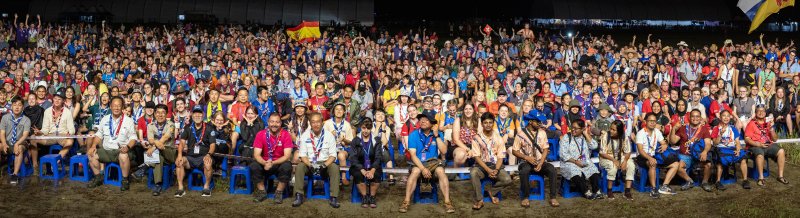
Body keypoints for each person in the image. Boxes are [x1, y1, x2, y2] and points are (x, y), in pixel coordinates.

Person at [398, 114, 453, 214]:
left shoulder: (438, 134)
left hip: (434, 162)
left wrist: (436, 136)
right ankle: (406, 201)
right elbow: (413, 155)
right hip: (418, 162)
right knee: (415, 171)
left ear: (432, 124)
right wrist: (423, 169)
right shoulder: (414, 135)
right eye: (421, 119)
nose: (422, 121)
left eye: (426, 120)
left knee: (440, 171)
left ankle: (447, 202)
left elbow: (444, 151)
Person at [86, 96, 137, 191]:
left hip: (120, 150)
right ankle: (98, 177)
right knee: (91, 154)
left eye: (119, 106)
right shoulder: (105, 119)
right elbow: (99, 135)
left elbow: (133, 138)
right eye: (114, 105)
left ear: (122, 107)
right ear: (110, 106)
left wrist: (128, 147)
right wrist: (93, 146)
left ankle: (125, 180)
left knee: (124, 156)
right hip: (106, 150)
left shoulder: (128, 121)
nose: (116, 108)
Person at [637, 113, 693, 197]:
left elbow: (664, 143)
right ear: (646, 122)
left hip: (655, 155)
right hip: (643, 157)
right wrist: (650, 158)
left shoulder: (657, 131)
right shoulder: (641, 133)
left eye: (654, 121)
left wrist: (664, 145)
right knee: (653, 163)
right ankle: (653, 189)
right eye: (650, 121)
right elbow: (640, 150)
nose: (652, 123)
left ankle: (664, 186)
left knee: (676, 164)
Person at [292, 112, 341, 208]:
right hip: (309, 163)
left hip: (325, 163)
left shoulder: (329, 136)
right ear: (310, 123)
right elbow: (302, 155)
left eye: (318, 122)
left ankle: (334, 197)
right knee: (300, 166)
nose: (316, 124)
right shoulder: (305, 136)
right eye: (313, 122)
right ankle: (299, 195)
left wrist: (324, 165)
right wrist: (310, 165)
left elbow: (333, 156)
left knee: (335, 167)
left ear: (322, 122)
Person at [513, 117, 559, 207]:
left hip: (540, 161)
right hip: (525, 162)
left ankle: (553, 197)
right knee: (524, 171)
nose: (539, 123)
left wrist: (541, 162)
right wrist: (526, 157)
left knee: (552, 169)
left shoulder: (542, 132)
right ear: (530, 121)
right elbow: (514, 151)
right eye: (537, 121)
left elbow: (546, 149)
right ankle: (525, 197)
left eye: (540, 121)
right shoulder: (520, 134)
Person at [469, 112, 513, 210]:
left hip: (495, 165)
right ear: (481, 124)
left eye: (490, 122)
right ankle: (479, 199)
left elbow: (500, 157)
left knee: (507, 179)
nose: (488, 125)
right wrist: (488, 170)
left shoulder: (498, 138)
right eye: (485, 123)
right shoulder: (477, 138)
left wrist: (496, 170)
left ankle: (491, 191)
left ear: (493, 123)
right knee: (473, 173)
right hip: (481, 166)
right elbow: (477, 157)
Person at [251, 113, 294, 203]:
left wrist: (273, 163)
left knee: (287, 166)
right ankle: (262, 192)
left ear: (281, 123)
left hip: (279, 163)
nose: (274, 124)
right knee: (254, 165)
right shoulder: (261, 134)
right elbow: (257, 154)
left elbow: (287, 156)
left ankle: (279, 193)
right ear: (268, 122)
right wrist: (264, 163)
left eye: (277, 122)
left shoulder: (286, 135)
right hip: (264, 163)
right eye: (272, 122)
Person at [175, 105, 217, 197]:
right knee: (179, 162)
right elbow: (181, 143)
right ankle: (180, 188)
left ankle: (206, 187)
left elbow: (213, 145)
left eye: (199, 113)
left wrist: (209, 154)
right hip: (190, 158)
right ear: (191, 115)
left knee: (208, 162)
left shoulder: (209, 128)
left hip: (204, 156)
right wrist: (179, 155)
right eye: (195, 113)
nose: (197, 115)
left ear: (203, 115)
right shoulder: (187, 127)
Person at [30, 88, 75, 172]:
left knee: (70, 142)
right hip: (50, 136)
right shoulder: (47, 111)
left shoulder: (67, 112)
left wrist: (69, 133)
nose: (57, 101)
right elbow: (45, 130)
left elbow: (72, 129)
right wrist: (40, 132)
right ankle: (35, 165)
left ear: (63, 101)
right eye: (55, 98)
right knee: (33, 138)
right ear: (52, 99)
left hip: (62, 136)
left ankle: (55, 162)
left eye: (59, 99)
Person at [559, 119, 604, 200]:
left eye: (576, 128)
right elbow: (563, 154)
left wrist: (586, 134)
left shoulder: (585, 138)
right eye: (572, 127)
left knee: (593, 168)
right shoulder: (567, 137)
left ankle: (596, 190)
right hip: (569, 162)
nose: (573, 130)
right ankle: (586, 192)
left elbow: (594, 146)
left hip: (583, 161)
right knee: (574, 170)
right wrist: (576, 162)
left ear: (582, 129)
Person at [669, 109, 713, 192]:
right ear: (689, 117)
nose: (695, 118)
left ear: (700, 118)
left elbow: (708, 143)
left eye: (697, 116)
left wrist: (705, 152)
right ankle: (689, 181)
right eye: (693, 116)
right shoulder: (683, 128)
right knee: (677, 167)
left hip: (698, 154)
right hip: (685, 155)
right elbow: (673, 141)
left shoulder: (704, 129)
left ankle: (705, 182)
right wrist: (674, 129)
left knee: (708, 164)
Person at [744, 106, 789, 186]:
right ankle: (761, 178)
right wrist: (757, 144)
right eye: (759, 111)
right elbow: (747, 139)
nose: (761, 113)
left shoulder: (768, 123)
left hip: (768, 145)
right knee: (760, 154)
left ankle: (780, 176)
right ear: (755, 113)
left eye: (763, 111)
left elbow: (775, 139)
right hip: (755, 145)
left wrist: (772, 129)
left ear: (765, 113)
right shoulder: (751, 123)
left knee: (781, 151)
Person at [348, 118, 384, 208]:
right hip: (359, 166)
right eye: (364, 128)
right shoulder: (355, 141)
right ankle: (364, 196)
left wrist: (372, 170)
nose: (366, 131)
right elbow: (353, 158)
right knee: (358, 174)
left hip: (373, 165)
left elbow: (378, 157)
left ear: (371, 128)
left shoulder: (376, 140)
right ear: (361, 127)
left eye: (368, 128)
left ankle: (372, 197)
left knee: (377, 174)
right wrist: (362, 170)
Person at [711, 110, 750, 190]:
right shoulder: (716, 129)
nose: (726, 118)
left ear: (730, 118)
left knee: (743, 157)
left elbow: (737, 142)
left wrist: (738, 149)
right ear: (720, 117)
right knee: (720, 159)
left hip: (732, 148)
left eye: (728, 116)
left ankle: (745, 180)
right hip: (720, 148)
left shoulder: (732, 128)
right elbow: (715, 143)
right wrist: (720, 135)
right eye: (724, 116)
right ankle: (718, 181)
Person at [598, 120, 635, 200]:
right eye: (611, 128)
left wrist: (625, 161)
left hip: (620, 156)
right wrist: (614, 160)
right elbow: (602, 153)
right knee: (613, 166)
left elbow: (628, 151)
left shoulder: (624, 136)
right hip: (606, 157)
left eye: (614, 130)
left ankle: (627, 191)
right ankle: (609, 190)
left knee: (631, 165)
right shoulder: (605, 136)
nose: (611, 131)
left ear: (619, 131)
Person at [145, 104, 176, 196]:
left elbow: (165, 138)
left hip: (169, 152)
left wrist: (154, 147)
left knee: (158, 151)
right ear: (154, 114)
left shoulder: (171, 125)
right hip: (158, 153)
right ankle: (158, 183)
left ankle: (144, 167)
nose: (160, 115)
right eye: (158, 112)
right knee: (158, 156)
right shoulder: (150, 125)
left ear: (166, 114)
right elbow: (150, 140)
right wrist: (154, 144)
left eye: (163, 113)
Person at [0, 97, 31, 184]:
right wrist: (4, 143)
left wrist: (17, 143)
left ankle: (15, 174)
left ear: (23, 107)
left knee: (20, 148)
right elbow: (2, 133)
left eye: (19, 105)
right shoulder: (5, 118)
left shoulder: (26, 120)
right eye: (14, 105)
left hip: (21, 142)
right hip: (8, 142)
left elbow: (25, 135)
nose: (17, 107)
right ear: (11, 107)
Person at [324, 103, 354, 185]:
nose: (339, 111)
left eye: (341, 109)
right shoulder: (327, 123)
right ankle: (329, 177)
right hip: (329, 148)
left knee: (341, 155)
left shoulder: (347, 124)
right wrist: (330, 136)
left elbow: (350, 141)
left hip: (343, 148)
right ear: (333, 111)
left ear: (344, 111)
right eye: (336, 109)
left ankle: (343, 177)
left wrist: (344, 139)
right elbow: (322, 139)